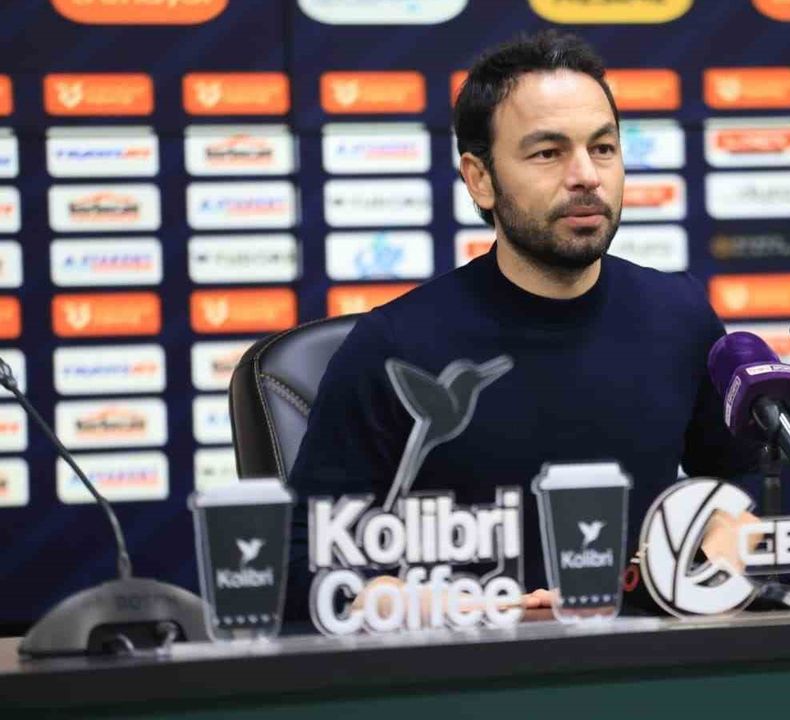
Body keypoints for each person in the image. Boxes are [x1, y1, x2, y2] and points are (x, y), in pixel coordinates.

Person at [287, 30, 756, 621]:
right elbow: (298, 564)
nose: (585, 176)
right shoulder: (393, 348)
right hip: (465, 660)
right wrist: (444, 608)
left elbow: (752, 488)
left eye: (603, 148)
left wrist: (724, 539)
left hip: (645, 652)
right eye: (548, 153)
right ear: (479, 178)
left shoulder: (680, 317)